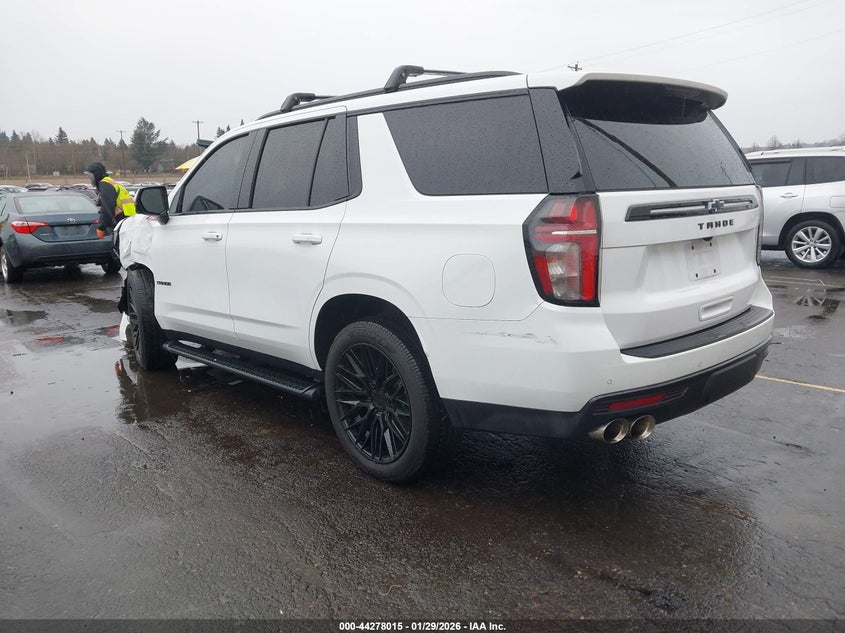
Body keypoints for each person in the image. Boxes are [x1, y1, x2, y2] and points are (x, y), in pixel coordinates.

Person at [84, 162, 136, 239]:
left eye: (90, 176)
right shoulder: (110, 182)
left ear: (96, 175)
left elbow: (107, 208)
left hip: (121, 222)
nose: (89, 179)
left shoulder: (105, 184)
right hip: (129, 220)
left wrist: (101, 227)